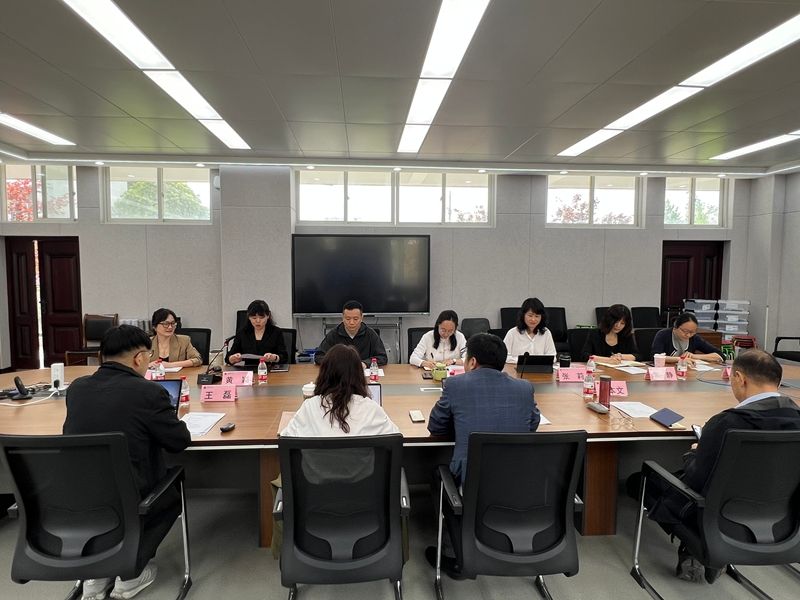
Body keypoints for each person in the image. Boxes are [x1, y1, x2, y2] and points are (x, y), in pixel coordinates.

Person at [642, 349, 800, 583]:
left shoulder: (726, 423)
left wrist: (694, 454)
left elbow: (696, 479)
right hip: (784, 524)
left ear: (739, 378)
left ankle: (696, 550)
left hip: (719, 522)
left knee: (641, 481)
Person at [63, 325, 191, 600]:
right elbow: (179, 442)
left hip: (80, 494)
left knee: (105, 498)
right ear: (138, 358)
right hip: (133, 496)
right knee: (168, 496)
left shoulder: (77, 389)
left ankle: (96, 575)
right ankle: (128, 575)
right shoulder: (148, 392)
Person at [426, 333, 540, 578]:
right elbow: (532, 424)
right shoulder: (524, 388)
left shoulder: (455, 385)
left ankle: (457, 556)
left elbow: (435, 426)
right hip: (520, 482)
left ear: (472, 362)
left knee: (438, 476)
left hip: (472, 483)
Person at [281, 344, 399, 437]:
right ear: (358, 375)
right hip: (359, 462)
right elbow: (396, 437)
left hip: (320, 462)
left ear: (324, 374)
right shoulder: (371, 409)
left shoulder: (310, 407)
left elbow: (286, 437)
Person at [314, 300, 387, 367]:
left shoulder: (371, 334)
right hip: (340, 373)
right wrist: (337, 363)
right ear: (343, 318)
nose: (351, 322)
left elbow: (382, 357)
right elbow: (319, 357)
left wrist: (365, 363)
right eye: (348, 319)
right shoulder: (333, 334)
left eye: (355, 319)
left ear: (361, 318)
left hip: (363, 373)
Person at [226, 299, 288, 366]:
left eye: (261, 318)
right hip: (249, 370)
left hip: (270, 369)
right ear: (249, 317)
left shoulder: (276, 332)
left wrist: (275, 358)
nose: (258, 321)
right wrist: (232, 358)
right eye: (254, 318)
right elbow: (228, 358)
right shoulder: (242, 333)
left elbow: (284, 357)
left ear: (268, 316)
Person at [651, 312, 723, 365]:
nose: (688, 335)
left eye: (692, 332)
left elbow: (720, 355)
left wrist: (694, 356)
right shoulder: (663, 335)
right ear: (675, 327)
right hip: (667, 373)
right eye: (685, 331)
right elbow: (655, 357)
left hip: (687, 373)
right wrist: (680, 359)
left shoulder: (694, 338)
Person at [502, 297, 556, 363]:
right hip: (516, 368)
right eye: (530, 315)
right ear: (523, 315)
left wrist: (536, 362)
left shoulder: (546, 333)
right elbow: (503, 356)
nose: (533, 319)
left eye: (537, 316)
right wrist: (524, 361)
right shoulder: (512, 333)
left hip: (540, 368)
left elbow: (553, 357)